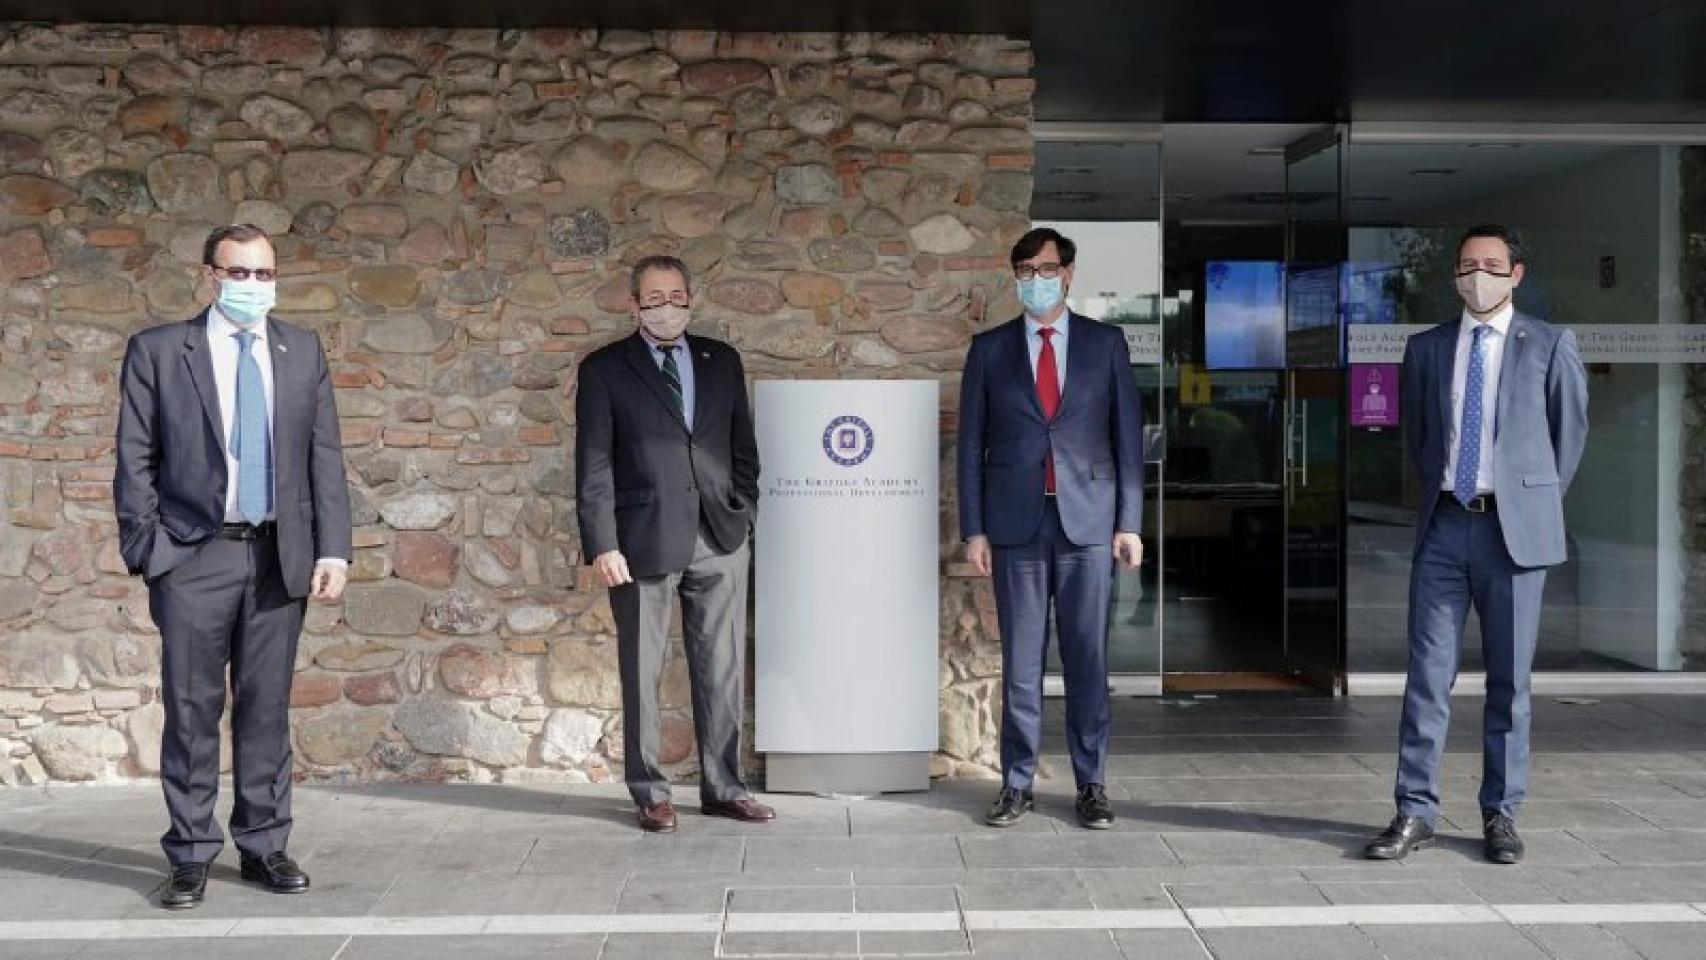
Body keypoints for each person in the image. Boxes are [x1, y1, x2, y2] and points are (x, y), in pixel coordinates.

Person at [114, 224, 351, 909]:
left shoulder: (301, 350)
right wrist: (150, 549)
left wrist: (332, 548)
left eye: (265, 274)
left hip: (280, 555)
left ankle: (265, 844)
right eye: (240, 273)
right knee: (191, 708)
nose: (254, 287)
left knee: (266, 707)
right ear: (210, 275)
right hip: (194, 554)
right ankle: (189, 852)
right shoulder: (160, 351)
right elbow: (135, 457)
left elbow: (324, 457)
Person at [1365, 224, 1588, 865]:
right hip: (1445, 527)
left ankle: (1500, 813)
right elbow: (1420, 436)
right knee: (1426, 678)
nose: (1477, 275)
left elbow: (1565, 441)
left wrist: (1526, 503)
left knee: (1509, 684)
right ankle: (1414, 811)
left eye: (1491, 265)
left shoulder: (1549, 343)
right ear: (1455, 276)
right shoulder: (1428, 348)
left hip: (1511, 537)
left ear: (1516, 273)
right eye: (1467, 266)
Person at [574, 256, 775, 833]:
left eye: (678, 296)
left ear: (692, 298)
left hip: (720, 536)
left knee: (722, 667)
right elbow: (593, 464)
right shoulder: (605, 369)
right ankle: (649, 791)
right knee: (641, 667)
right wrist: (602, 543)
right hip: (640, 541)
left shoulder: (722, 361)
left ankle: (724, 787)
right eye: (655, 298)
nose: (668, 308)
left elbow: (743, 449)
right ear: (633, 305)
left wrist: (746, 513)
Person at [957, 227, 1145, 829]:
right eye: (1023, 270)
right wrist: (974, 528)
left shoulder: (1105, 343)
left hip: (1089, 523)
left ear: (1067, 273)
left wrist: (1129, 523)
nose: (1033, 280)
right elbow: (969, 447)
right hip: (1016, 525)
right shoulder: (989, 350)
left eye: (1043, 269)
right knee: (1021, 661)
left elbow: (1125, 441)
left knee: (1088, 658)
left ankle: (1092, 784)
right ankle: (1017, 782)